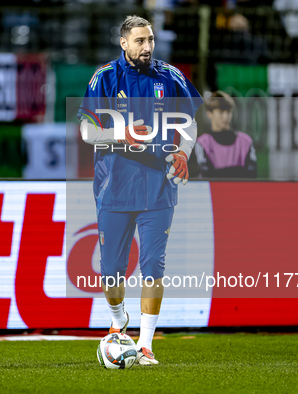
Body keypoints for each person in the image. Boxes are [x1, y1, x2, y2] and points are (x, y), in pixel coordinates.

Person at [77, 15, 202, 366]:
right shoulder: (104, 78)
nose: (147, 47)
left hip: (159, 187)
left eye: (150, 40)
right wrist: (120, 135)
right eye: (140, 41)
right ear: (123, 43)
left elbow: (190, 122)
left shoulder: (171, 76)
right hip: (114, 186)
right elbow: (87, 132)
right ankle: (119, 322)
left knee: (153, 267)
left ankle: (146, 345)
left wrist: (182, 151)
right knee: (112, 272)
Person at [193, 91, 257, 178]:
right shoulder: (203, 143)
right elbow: (204, 175)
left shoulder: (245, 141)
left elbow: (252, 174)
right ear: (209, 114)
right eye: (221, 112)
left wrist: (218, 173)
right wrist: (238, 171)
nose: (226, 116)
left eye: (228, 112)